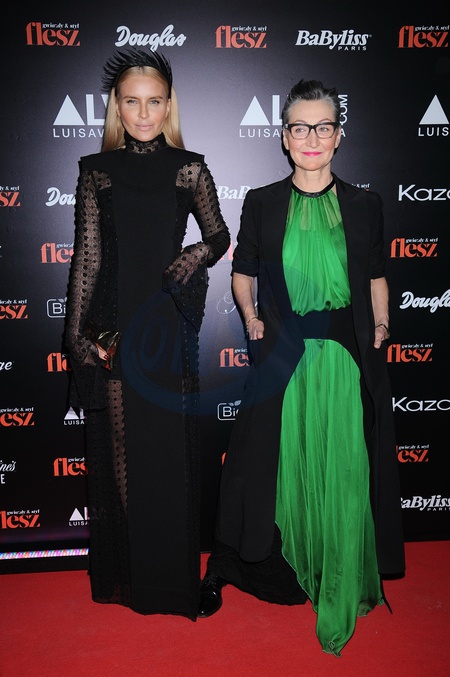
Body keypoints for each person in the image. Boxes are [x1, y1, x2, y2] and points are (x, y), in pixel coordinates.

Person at [199, 79, 405, 655]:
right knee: (266, 463)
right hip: (283, 356)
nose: (311, 137)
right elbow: (243, 273)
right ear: (285, 137)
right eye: (299, 127)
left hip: (344, 358)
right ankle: (264, 566)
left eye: (323, 126)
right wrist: (250, 316)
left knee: (341, 465)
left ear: (338, 136)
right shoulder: (263, 202)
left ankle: (336, 564)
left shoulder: (365, 205)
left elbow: (375, 276)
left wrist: (382, 324)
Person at [64, 48, 230, 620]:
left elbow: (219, 235)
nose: (143, 113)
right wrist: (75, 334)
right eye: (131, 101)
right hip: (112, 329)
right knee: (122, 455)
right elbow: (87, 259)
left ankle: (173, 580)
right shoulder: (96, 171)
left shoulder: (189, 168)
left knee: (168, 457)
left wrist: (194, 255)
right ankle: (140, 576)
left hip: (165, 328)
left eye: (154, 101)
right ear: (117, 106)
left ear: (168, 105)